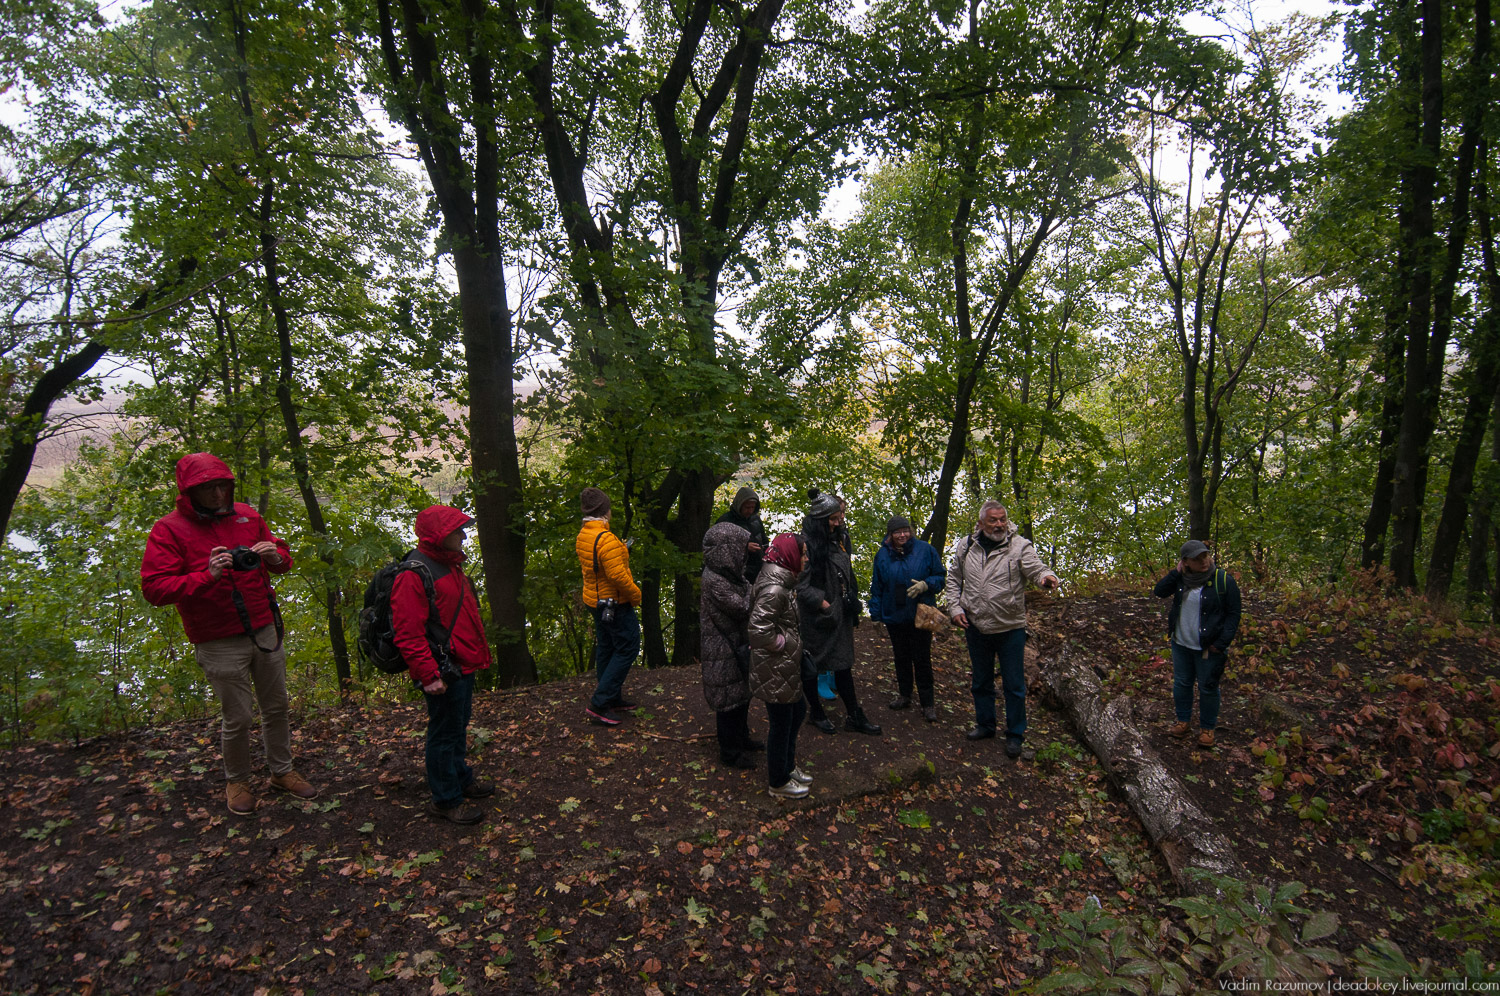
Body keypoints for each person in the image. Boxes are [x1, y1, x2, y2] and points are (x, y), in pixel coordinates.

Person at [140, 453, 318, 816]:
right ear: (189, 492)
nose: (218, 494)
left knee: (277, 706)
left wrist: (274, 556)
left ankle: (282, 771)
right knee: (238, 716)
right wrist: (206, 576)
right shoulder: (169, 529)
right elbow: (155, 589)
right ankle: (237, 781)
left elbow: (283, 561)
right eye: (208, 488)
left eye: (223, 486)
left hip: (264, 628)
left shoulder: (247, 516)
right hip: (217, 637)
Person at [391, 506, 494, 824]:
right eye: (456, 530)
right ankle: (446, 799)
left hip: (462, 664)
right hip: (442, 670)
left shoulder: (449, 564)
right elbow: (407, 633)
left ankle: (460, 778)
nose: (463, 535)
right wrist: (428, 675)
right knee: (444, 733)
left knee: (457, 727)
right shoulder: (414, 573)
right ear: (439, 535)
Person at [944, 500, 1059, 758]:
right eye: (993, 520)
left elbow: (1035, 568)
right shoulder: (966, 546)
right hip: (976, 625)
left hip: (1010, 628)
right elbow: (954, 579)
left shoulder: (1019, 546)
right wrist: (955, 608)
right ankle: (985, 725)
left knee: (1014, 685)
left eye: (1002, 519)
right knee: (981, 681)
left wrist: (1046, 577)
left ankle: (1015, 735)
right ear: (981, 523)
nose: (999, 525)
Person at [797, 488, 881, 736]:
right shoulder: (806, 546)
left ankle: (854, 715)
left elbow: (845, 572)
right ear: (820, 520)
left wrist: (851, 598)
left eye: (838, 517)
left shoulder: (839, 539)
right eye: (833, 519)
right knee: (812, 666)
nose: (838, 521)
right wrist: (825, 604)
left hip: (840, 616)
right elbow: (800, 586)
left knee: (843, 665)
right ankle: (816, 712)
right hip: (817, 619)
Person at [1152, 539, 1242, 748]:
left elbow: (1233, 614)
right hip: (1181, 643)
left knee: (1208, 687)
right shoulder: (1181, 579)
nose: (1204, 561)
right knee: (1182, 683)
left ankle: (1207, 729)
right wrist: (1176, 572)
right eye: (1197, 559)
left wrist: (1222, 642)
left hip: (1209, 647)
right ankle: (1183, 721)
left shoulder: (1223, 580)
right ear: (1185, 562)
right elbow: (1159, 591)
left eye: (1205, 556)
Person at [748, 533, 813, 799]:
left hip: (784, 665)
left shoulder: (784, 581)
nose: (806, 558)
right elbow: (757, 630)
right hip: (775, 667)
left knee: (797, 712)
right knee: (782, 723)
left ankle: (787, 766)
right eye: (803, 553)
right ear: (790, 555)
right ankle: (778, 781)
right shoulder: (775, 589)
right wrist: (781, 643)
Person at [867, 515, 946, 722]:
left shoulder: (925, 550)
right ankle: (905, 695)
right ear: (890, 534)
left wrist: (926, 584)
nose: (902, 535)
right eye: (897, 532)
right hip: (894, 614)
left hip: (920, 615)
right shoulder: (883, 555)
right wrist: (875, 615)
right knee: (901, 657)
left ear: (910, 531)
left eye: (905, 531)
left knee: (922, 659)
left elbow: (940, 577)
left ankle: (928, 703)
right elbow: (877, 586)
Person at [575, 487, 642, 726]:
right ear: (605, 510)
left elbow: (599, 567)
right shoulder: (606, 539)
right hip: (614, 604)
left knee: (607, 647)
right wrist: (636, 594)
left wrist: (619, 550)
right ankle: (600, 702)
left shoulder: (585, 534)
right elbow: (617, 576)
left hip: (595, 601)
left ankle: (611, 697)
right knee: (629, 646)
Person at [700, 521, 761, 769]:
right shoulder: (715, 580)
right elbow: (743, 606)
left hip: (733, 644)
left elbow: (747, 591)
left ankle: (742, 738)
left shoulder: (729, 574)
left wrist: (752, 590)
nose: (745, 553)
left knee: (741, 695)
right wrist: (758, 591)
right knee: (728, 702)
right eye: (741, 548)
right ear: (728, 550)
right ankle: (730, 752)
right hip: (721, 649)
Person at [716, 486, 769, 584]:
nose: (750, 511)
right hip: (737, 574)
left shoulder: (756, 519)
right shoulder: (725, 522)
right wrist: (743, 547)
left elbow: (764, 540)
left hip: (758, 571)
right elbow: (717, 549)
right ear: (739, 505)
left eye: (752, 507)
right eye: (747, 507)